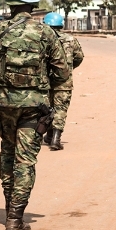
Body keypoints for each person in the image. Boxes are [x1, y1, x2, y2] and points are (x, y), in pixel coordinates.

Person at [0, 0, 71, 230]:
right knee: (25, 161)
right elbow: (62, 72)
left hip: (5, 105)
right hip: (33, 107)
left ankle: (9, 210)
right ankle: (15, 219)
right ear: (33, 5)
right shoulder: (45, 33)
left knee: (8, 154)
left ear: (10, 5)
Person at [42, 11, 85, 151]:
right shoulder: (70, 40)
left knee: (46, 109)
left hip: (44, 81)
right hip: (64, 82)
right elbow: (79, 57)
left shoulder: (41, 39)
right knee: (60, 109)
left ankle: (47, 136)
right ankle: (55, 139)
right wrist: (68, 68)